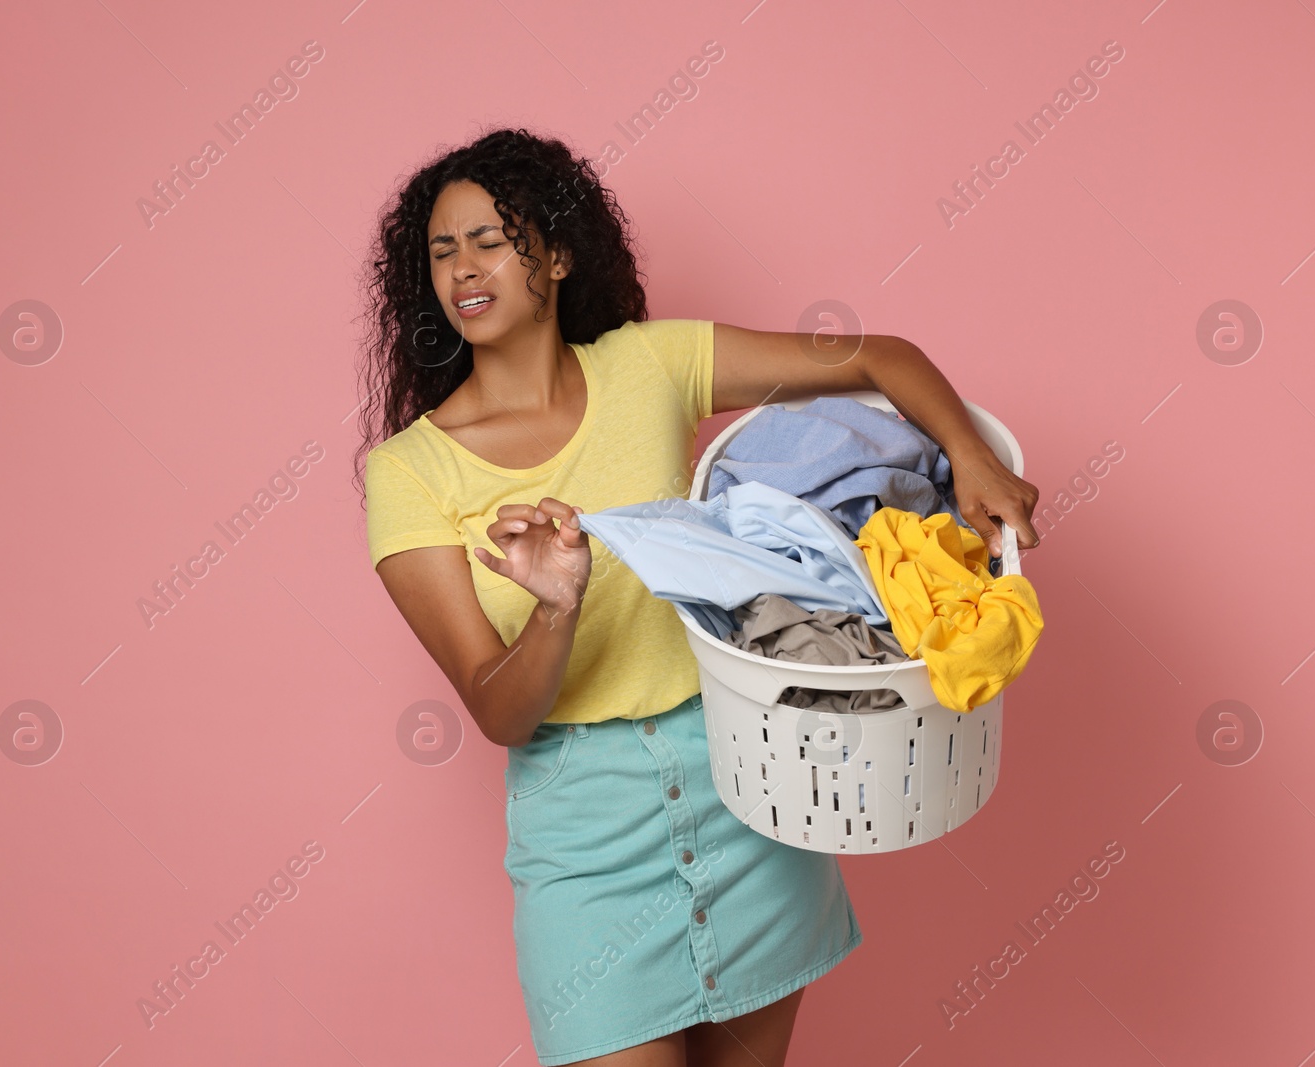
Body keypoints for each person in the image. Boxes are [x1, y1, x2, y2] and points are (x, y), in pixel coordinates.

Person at [353, 127, 1039, 1067]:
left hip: (745, 791)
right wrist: (557, 605)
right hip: (582, 840)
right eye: (441, 251)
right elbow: (497, 709)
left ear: (554, 254)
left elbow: (880, 357)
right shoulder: (410, 472)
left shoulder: (650, 366)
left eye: (489, 238)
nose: (463, 268)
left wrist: (969, 459)